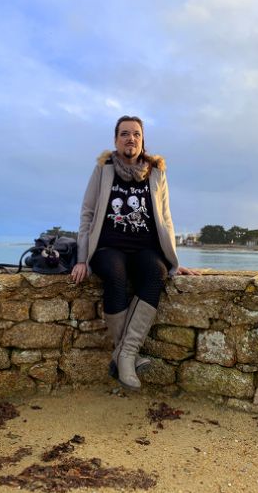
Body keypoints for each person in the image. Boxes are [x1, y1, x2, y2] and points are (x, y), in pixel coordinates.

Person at [71, 115, 200, 391]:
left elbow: (166, 218)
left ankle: (123, 354)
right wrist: (82, 259)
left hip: (146, 248)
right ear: (116, 140)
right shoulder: (103, 169)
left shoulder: (156, 172)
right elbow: (87, 213)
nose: (131, 138)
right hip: (108, 247)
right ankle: (128, 355)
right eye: (125, 134)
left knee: (157, 272)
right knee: (115, 273)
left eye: (136, 134)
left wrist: (174, 262)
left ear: (143, 140)